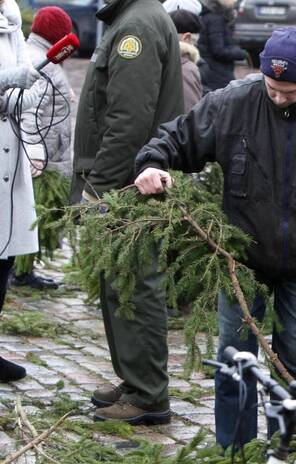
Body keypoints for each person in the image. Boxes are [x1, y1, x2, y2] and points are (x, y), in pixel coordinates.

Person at [133, 28, 296, 448]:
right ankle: (233, 450)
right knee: (235, 360)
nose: (279, 97)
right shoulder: (234, 101)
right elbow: (178, 137)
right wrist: (153, 162)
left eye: (289, 92)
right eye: (272, 88)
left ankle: (289, 455)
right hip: (242, 260)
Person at [72, 0, 184, 423]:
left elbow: (129, 119)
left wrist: (99, 189)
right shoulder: (135, 16)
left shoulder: (137, 24)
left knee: (134, 284)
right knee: (121, 283)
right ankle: (136, 380)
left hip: (127, 184)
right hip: (129, 179)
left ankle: (148, 395)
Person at [10, 5, 75, 291]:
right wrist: (34, 152)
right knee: (35, 216)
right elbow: (30, 111)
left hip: (48, 149)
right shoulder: (42, 62)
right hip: (44, 154)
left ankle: (23, 269)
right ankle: (21, 271)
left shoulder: (40, 54)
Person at [0, 0, 42, 382]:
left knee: (4, 257)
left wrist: (24, 88)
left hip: (9, 156)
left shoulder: (11, 19)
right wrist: (9, 79)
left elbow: (24, 94)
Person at [196, 0, 244, 92]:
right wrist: (241, 53)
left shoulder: (212, 16)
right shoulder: (216, 19)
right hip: (217, 72)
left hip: (213, 70)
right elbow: (218, 50)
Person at [169, 9, 203, 112]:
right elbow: (190, 115)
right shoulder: (186, 68)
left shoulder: (156, 58)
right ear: (187, 37)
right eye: (195, 42)